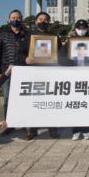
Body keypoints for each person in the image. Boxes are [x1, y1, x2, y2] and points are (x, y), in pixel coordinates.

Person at [25, 12, 61, 140]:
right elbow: (21, 52)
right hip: (33, 72)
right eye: (40, 19)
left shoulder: (54, 36)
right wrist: (26, 59)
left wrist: (56, 59)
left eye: (46, 20)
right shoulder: (28, 35)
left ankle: (53, 129)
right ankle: (32, 130)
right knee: (33, 102)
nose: (43, 21)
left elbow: (60, 52)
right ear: (35, 21)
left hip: (49, 73)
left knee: (51, 102)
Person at [0, 9, 29, 136]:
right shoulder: (3, 35)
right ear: (8, 19)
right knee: (7, 99)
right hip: (6, 71)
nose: (16, 20)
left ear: (22, 19)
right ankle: (9, 124)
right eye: (13, 17)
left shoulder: (27, 34)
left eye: (18, 17)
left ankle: (24, 123)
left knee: (23, 99)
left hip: (24, 71)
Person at [65, 19, 89, 140]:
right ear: (75, 29)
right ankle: (75, 130)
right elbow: (61, 57)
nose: (81, 30)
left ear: (87, 29)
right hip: (73, 76)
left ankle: (86, 130)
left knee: (86, 104)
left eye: (84, 28)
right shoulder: (70, 42)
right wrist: (69, 61)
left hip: (88, 77)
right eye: (79, 28)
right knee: (75, 104)